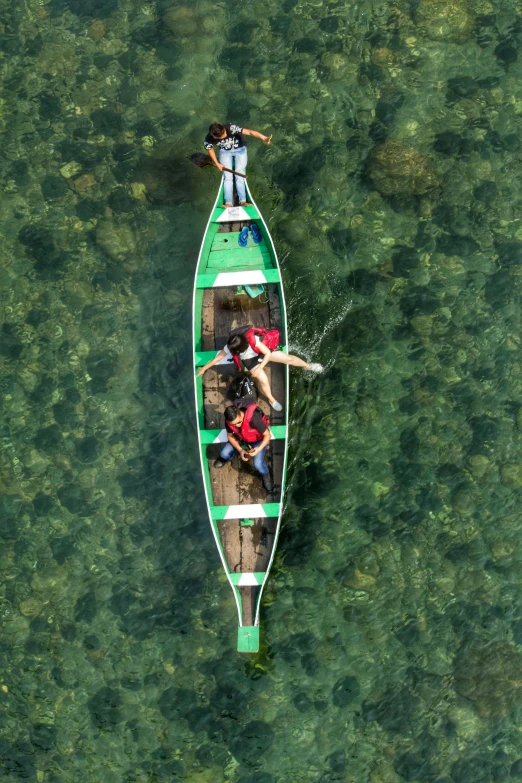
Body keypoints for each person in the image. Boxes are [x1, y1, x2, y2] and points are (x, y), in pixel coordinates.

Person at [196, 325, 324, 412]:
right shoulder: (231, 347)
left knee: (288, 359)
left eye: (235, 351)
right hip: (250, 360)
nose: (232, 352)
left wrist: (260, 367)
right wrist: (204, 368)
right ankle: (271, 399)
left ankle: (308, 366)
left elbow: (267, 354)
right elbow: (217, 358)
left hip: (260, 352)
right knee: (263, 380)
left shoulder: (254, 341)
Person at [203, 122, 272, 208]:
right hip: (225, 152)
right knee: (227, 177)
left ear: (224, 130)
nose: (213, 138)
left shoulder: (231, 128)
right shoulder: (209, 137)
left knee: (239, 174)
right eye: (214, 137)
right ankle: (228, 203)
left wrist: (264, 138)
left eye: (222, 136)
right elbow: (210, 149)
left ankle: (242, 201)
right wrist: (217, 164)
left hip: (240, 149)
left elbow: (250, 132)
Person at [215, 398, 273, 492]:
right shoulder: (229, 422)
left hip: (257, 440)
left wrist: (259, 448)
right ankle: (228, 457)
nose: (237, 425)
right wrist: (240, 450)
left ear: (240, 414)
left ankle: (266, 474)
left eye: (239, 422)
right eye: (234, 424)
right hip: (241, 438)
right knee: (224, 454)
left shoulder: (254, 420)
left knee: (258, 464)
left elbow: (267, 435)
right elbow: (230, 436)